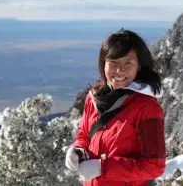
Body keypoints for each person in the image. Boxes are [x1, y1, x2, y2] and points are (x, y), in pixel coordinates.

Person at [65, 29, 166, 186]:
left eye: (128, 63)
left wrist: (103, 167)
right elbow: (84, 134)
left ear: (139, 66)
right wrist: (78, 150)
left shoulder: (147, 108)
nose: (119, 70)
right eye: (113, 62)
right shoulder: (94, 98)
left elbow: (154, 166)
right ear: (103, 63)